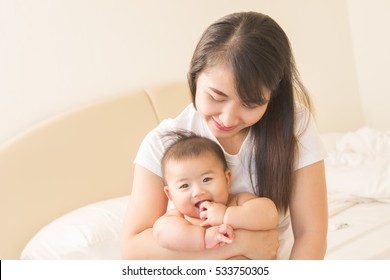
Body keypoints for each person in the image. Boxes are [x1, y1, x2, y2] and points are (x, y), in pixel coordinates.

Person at [121, 11, 328, 260]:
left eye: (250, 104)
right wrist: (240, 244)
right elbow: (132, 250)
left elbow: (311, 232)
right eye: (216, 97)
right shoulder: (163, 144)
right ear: (194, 77)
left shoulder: (294, 123)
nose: (228, 119)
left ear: (272, 94)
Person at [153, 131, 278, 251]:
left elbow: (270, 215)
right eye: (184, 185)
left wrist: (226, 215)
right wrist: (204, 237)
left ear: (227, 178)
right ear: (170, 194)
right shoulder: (179, 218)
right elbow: (160, 233)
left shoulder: (237, 201)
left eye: (206, 179)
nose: (198, 191)